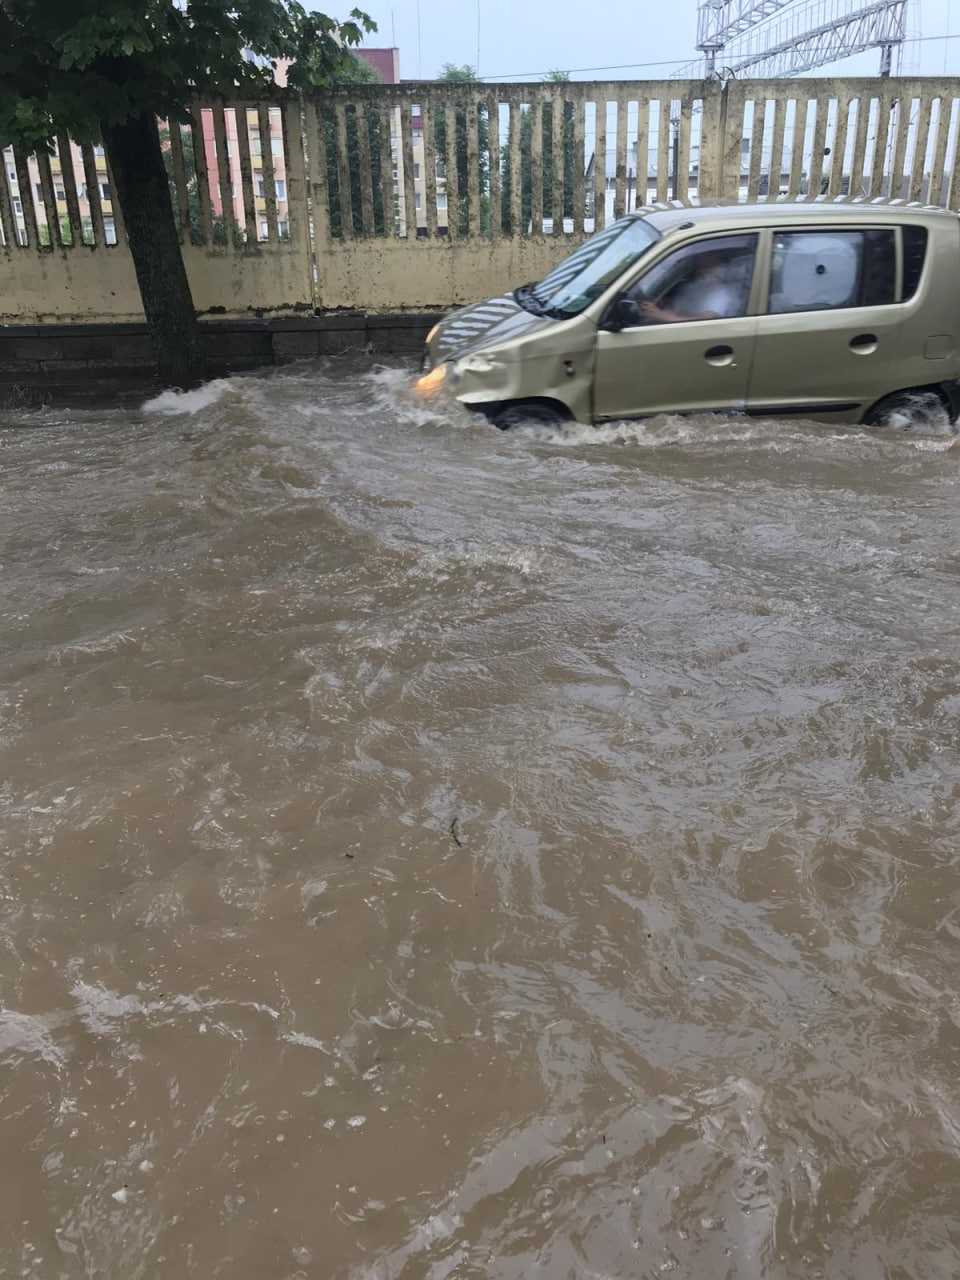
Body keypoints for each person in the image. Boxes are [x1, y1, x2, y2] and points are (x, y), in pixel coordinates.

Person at [640, 251, 740, 324]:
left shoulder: (721, 294)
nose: (701, 264)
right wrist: (664, 303)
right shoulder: (696, 284)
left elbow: (705, 321)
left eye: (708, 265)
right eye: (701, 264)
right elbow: (682, 308)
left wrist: (661, 315)